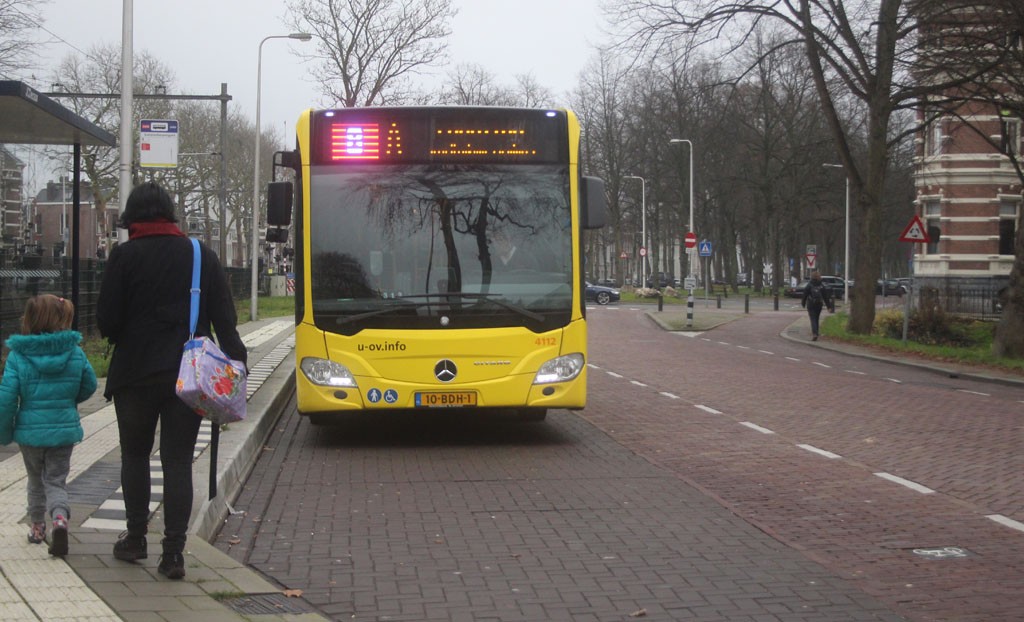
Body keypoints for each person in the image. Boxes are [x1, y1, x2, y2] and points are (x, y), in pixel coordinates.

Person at [97, 181, 247, 580]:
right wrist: (237, 367)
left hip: (134, 374)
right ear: (171, 213)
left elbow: (107, 322)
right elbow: (225, 321)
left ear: (132, 216)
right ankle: (174, 553)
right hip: (189, 376)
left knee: (135, 456)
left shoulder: (123, 256)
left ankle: (134, 539)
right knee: (177, 460)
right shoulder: (201, 256)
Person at [0, 295, 97, 557]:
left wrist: (5, 431)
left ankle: (37, 528)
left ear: (29, 320)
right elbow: (90, 384)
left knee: (35, 480)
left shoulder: (18, 355)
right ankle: (60, 520)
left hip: (29, 433)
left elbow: (7, 397)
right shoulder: (74, 351)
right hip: (63, 432)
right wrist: (68, 401)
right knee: (56, 480)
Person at [801, 271, 835, 341]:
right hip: (819, 304)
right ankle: (816, 332)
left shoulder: (809, 285)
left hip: (811, 304)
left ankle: (815, 333)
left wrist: (803, 303)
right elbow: (825, 297)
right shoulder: (821, 285)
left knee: (812, 318)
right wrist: (829, 307)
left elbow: (805, 295)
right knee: (816, 318)